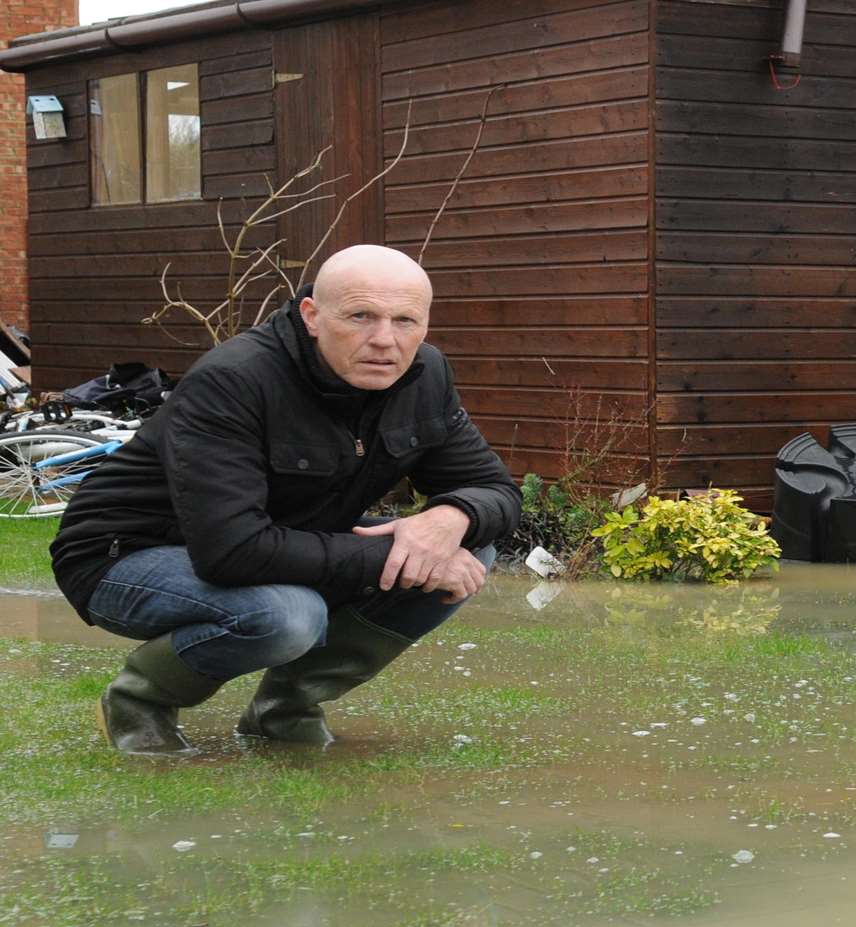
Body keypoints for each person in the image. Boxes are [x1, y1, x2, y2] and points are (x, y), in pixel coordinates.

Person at [50, 244, 520, 755]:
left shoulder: (424, 376)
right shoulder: (235, 380)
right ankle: (141, 698)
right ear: (312, 316)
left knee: (465, 548)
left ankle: (284, 708)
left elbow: (495, 490)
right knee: (288, 615)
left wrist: (452, 516)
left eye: (405, 320)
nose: (384, 340)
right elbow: (232, 549)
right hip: (125, 556)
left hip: (281, 537)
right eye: (360, 316)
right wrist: (400, 552)